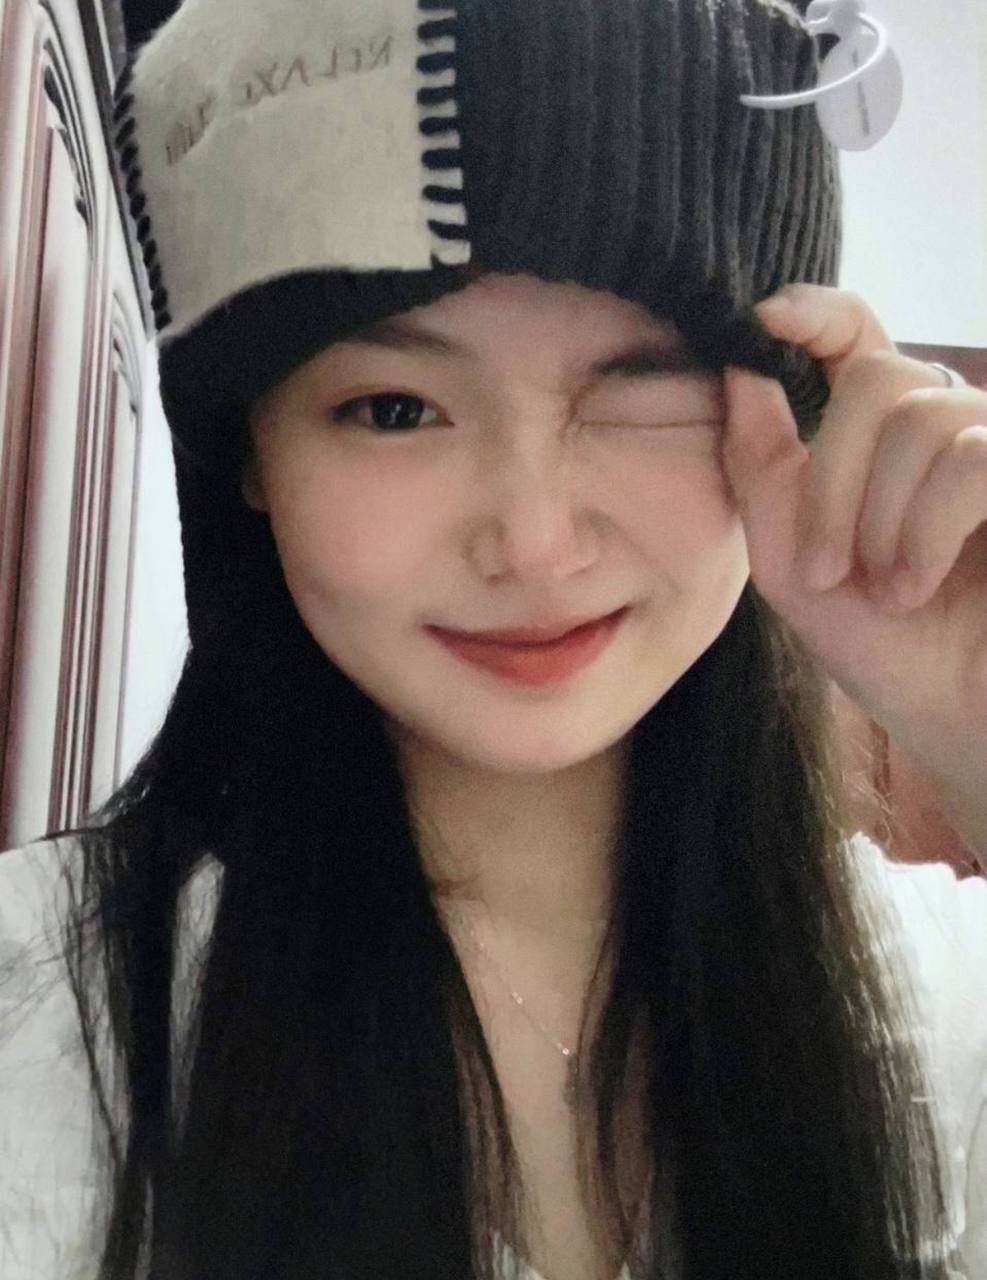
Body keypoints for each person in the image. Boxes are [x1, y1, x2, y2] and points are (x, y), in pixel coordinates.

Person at [1, 1, 986, 1277]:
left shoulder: (936, 997)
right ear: (251, 454)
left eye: (644, 385)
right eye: (394, 407)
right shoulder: (41, 1013)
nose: (534, 541)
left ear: (788, 417)